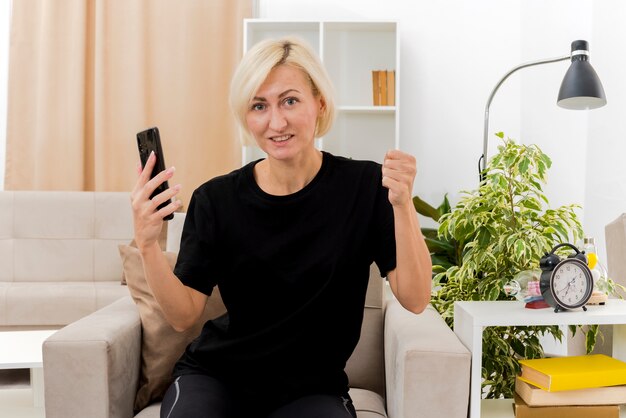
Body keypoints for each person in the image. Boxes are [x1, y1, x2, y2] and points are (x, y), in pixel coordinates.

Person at [131, 37, 432, 418]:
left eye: (290, 100)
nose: (276, 122)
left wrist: (403, 205)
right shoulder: (215, 199)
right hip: (216, 376)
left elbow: (416, 298)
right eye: (259, 106)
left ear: (319, 103)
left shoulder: (366, 187)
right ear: (246, 116)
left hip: (313, 389)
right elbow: (183, 315)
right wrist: (147, 246)